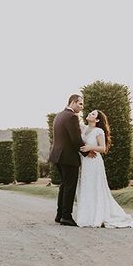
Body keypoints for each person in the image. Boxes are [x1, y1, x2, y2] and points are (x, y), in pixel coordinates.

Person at [76, 110, 133, 228]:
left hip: (94, 163)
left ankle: (98, 215)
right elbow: (74, 119)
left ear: (97, 120)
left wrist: (90, 147)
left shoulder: (98, 131)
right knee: (86, 186)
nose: (90, 114)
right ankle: (87, 216)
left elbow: (103, 148)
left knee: (95, 187)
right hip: (84, 163)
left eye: (93, 114)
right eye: (90, 113)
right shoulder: (84, 128)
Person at [48, 94, 87, 226]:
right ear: (73, 102)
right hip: (68, 157)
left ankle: (59, 215)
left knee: (64, 186)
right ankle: (66, 216)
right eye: (80, 104)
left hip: (57, 155)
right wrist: (87, 152)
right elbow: (75, 139)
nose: (82, 107)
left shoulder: (59, 115)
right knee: (70, 187)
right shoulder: (71, 117)